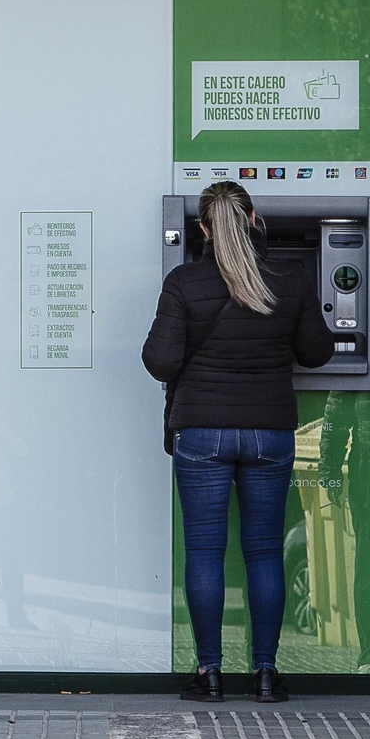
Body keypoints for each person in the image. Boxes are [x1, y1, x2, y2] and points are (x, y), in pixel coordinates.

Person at [142, 181, 337, 703]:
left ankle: (209, 675)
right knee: (265, 552)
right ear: (254, 220)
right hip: (268, 432)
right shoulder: (289, 279)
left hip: (201, 430)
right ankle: (267, 675)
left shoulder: (183, 282)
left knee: (206, 551)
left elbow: (159, 361)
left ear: (202, 229)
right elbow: (317, 352)